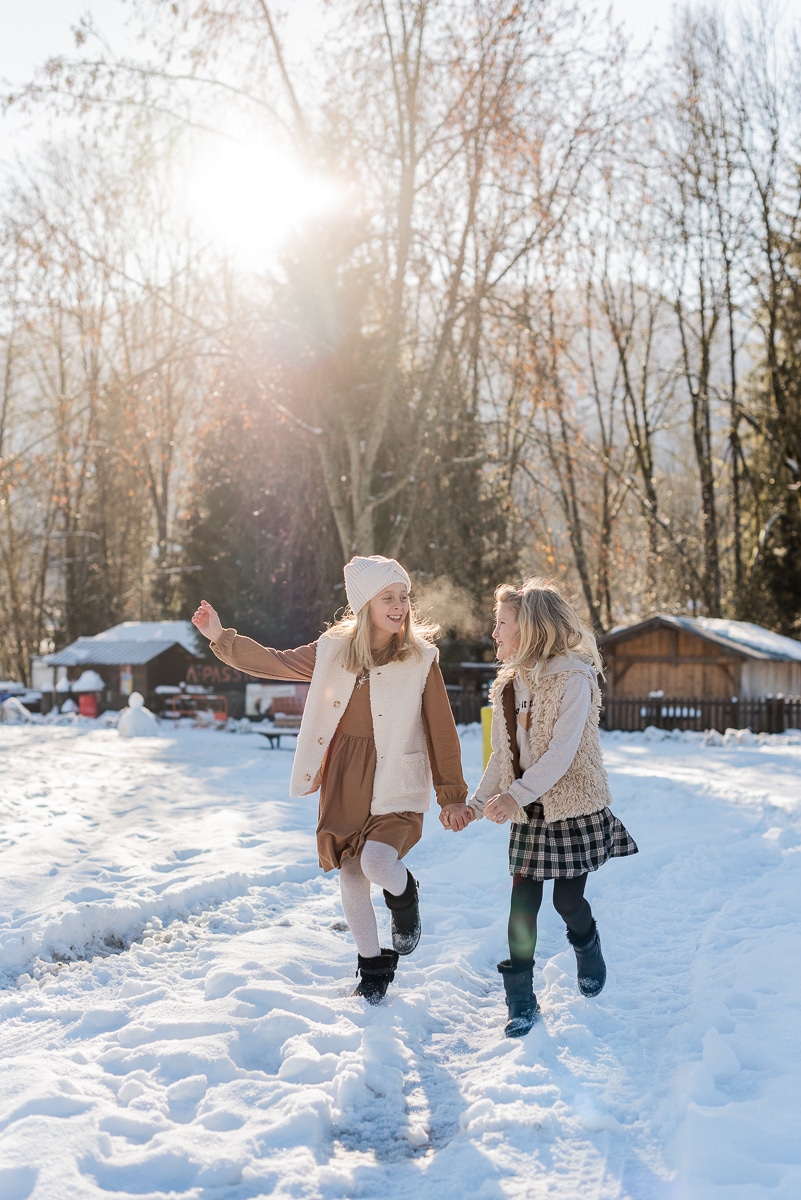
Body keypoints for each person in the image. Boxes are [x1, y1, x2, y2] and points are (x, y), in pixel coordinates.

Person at [192, 555, 470, 1005]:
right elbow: (275, 662)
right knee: (350, 871)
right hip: (345, 778)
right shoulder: (333, 651)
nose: (399, 606)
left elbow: (442, 729)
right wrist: (220, 637)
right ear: (365, 604)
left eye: (404, 597)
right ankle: (373, 968)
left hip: (396, 775)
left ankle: (406, 895)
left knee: (378, 863)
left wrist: (452, 795)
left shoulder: (421, 659)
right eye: (388, 598)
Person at [469, 578, 637, 1037]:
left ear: (531, 630)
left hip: (569, 808)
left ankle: (588, 945)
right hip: (528, 814)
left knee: (567, 899)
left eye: (502, 624)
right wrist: (478, 801)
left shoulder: (573, 677)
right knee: (522, 904)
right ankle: (520, 1001)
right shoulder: (506, 685)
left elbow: (561, 754)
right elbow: (502, 755)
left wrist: (513, 795)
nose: (495, 633)